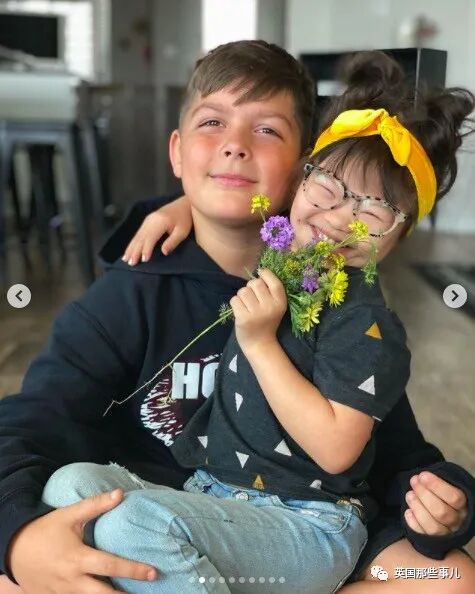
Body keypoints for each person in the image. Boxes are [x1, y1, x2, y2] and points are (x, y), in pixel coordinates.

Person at [0, 42, 472, 594]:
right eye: (211, 123)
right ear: (178, 152)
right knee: (29, 546)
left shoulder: (335, 300)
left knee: (448, 577)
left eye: (267, 130)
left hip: (300, 530)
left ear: (300, 169)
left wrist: (444, 498)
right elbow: (29, 424)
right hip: (166, 518)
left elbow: (392, 447)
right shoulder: (126, 300)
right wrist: (19, 540)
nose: (235, 146)